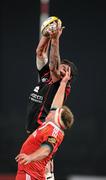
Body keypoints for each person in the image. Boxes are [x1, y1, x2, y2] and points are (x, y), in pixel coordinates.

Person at [25, 17, 77, 179]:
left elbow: (54, 64)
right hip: (34, 129)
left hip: (43, 130)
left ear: (68, 76)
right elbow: (40, 52)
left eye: (65, 69)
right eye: (62, 66)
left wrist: (55, 39)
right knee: (41, 171)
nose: (61, 68)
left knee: (43, 170)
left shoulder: (63, 84)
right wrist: (47, 34)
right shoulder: (46, 75)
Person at [15, 67, 74, 180]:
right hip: (29, 173)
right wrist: (64, 83)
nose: (53, 109)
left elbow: (46, 150)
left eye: (55, 111)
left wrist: (30, 157)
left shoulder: (53, 131)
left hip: (30, 175)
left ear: (57, 118)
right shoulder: (50, 124)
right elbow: (57, 100)